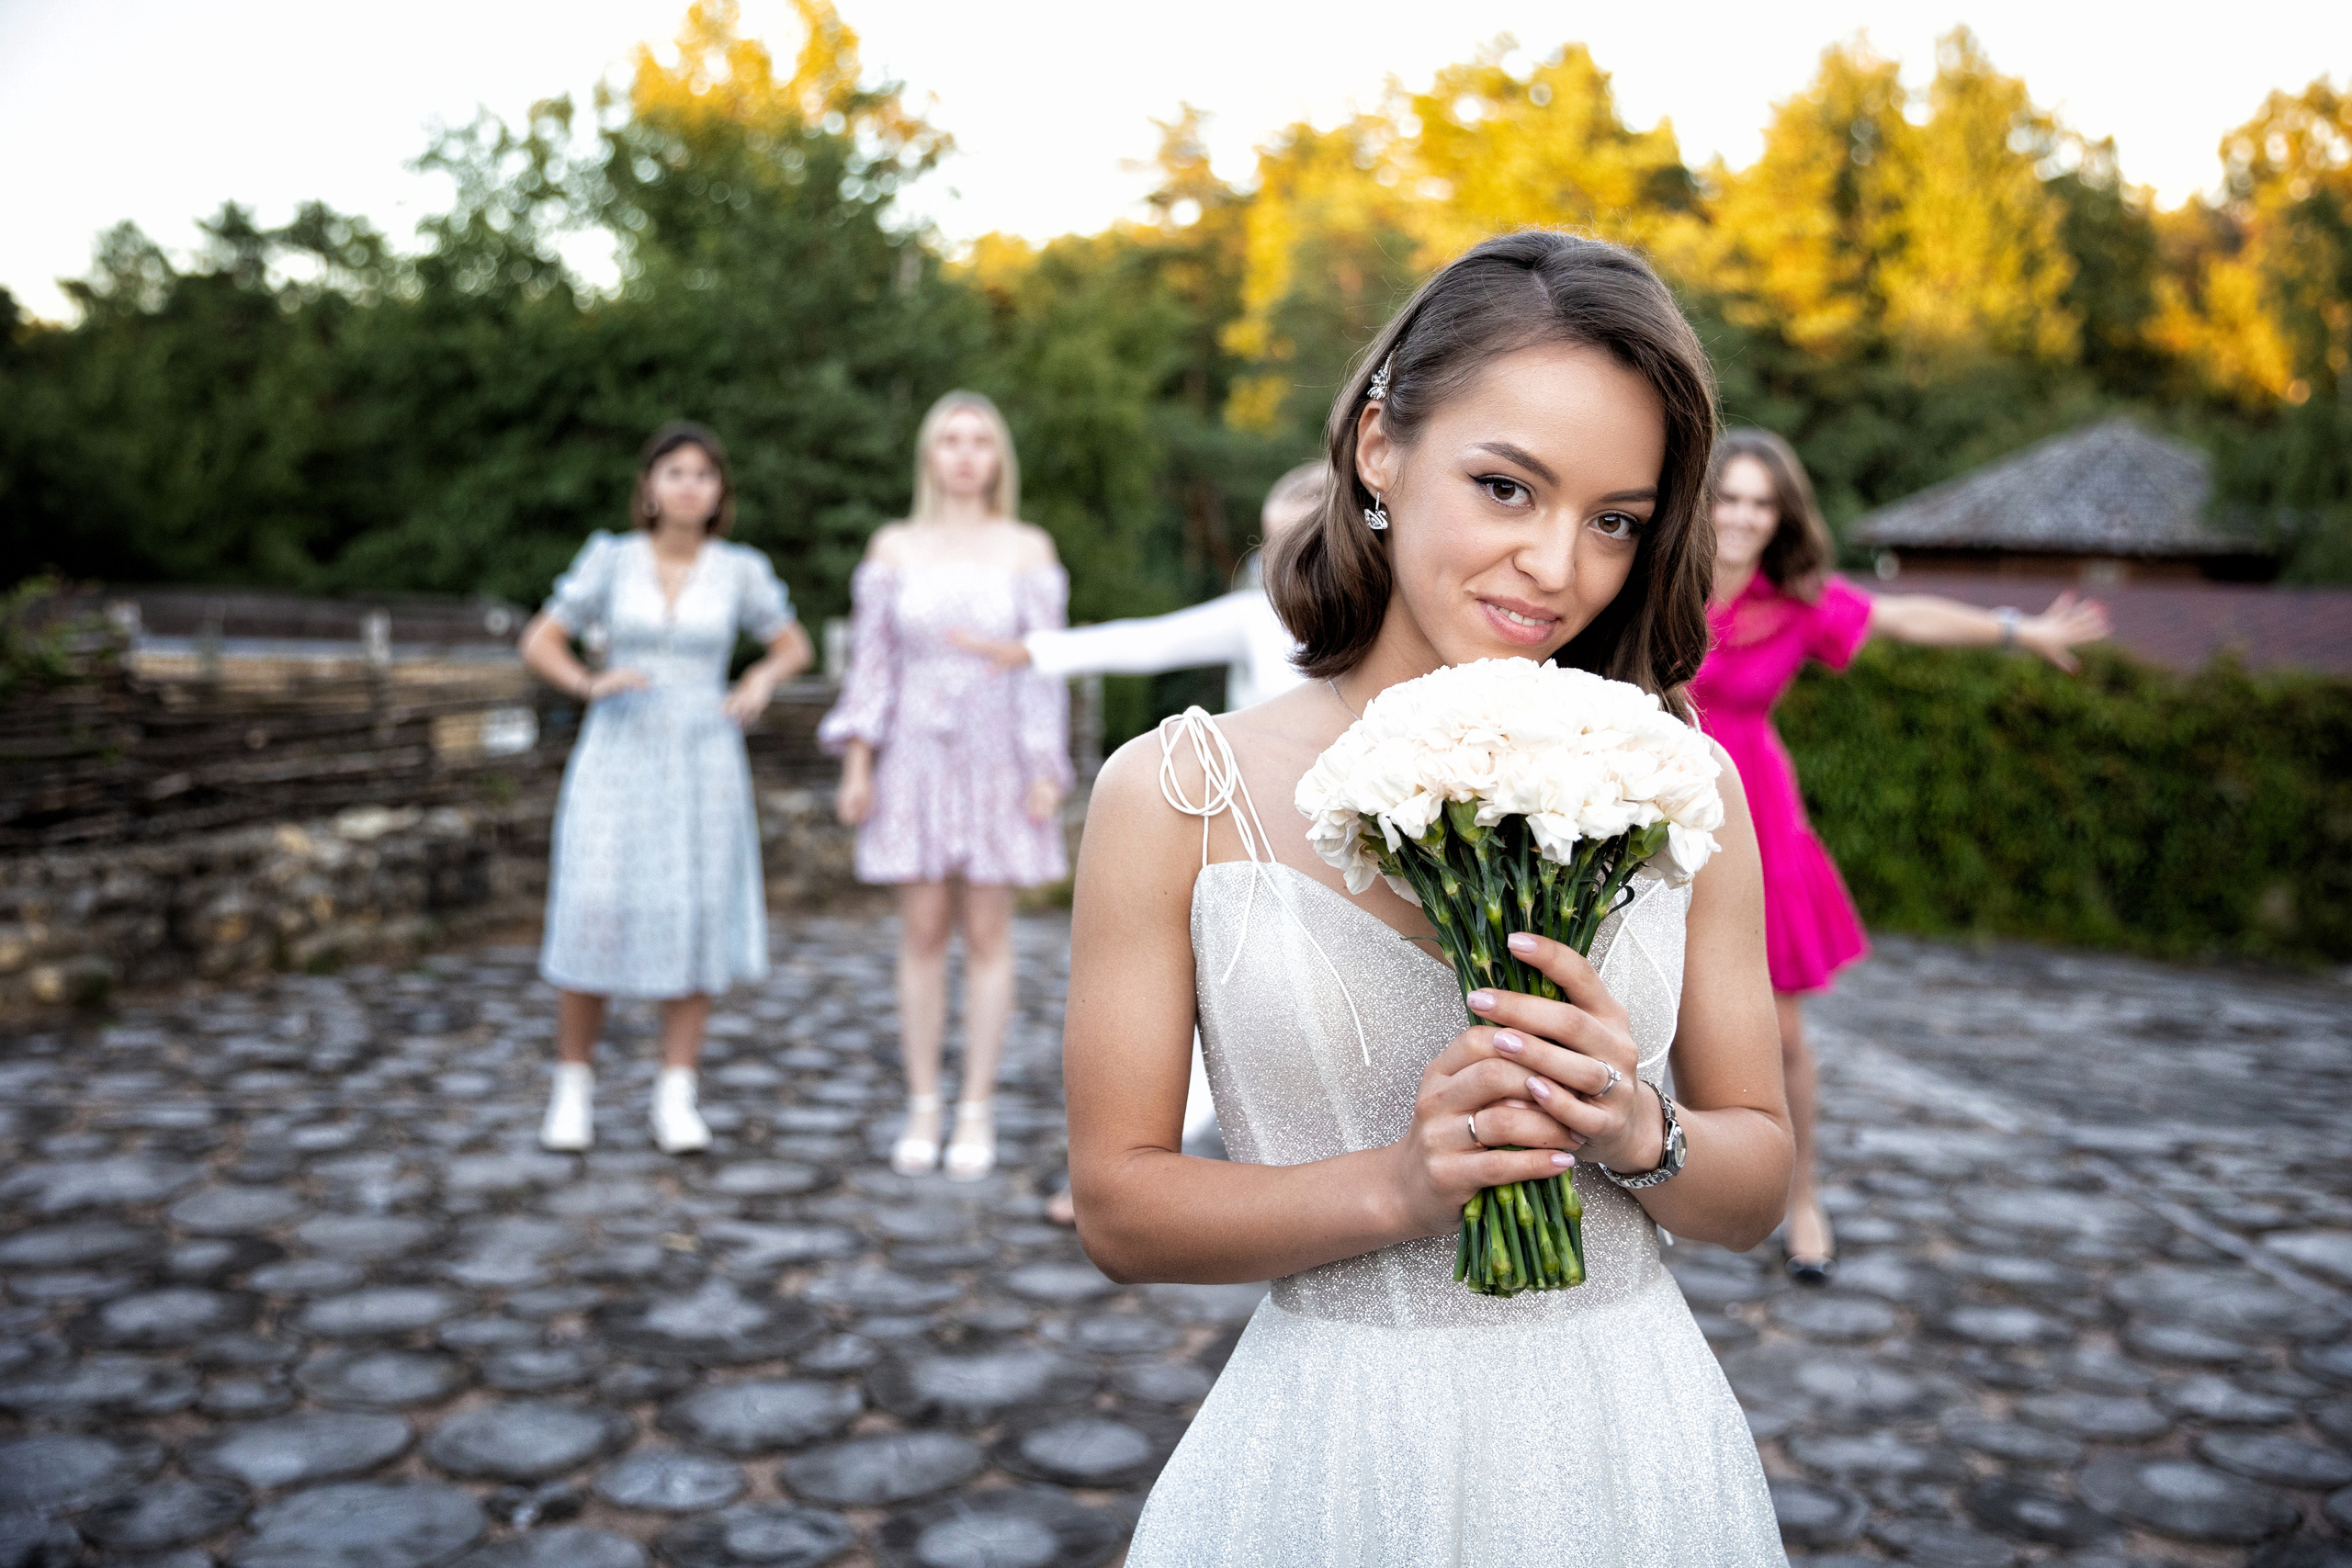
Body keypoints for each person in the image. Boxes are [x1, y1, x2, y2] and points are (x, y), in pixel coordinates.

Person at [1068, 231, 1791, 1563]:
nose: (1558, 565)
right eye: (1507, 487)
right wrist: (1398, 1188)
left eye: (1615, 519)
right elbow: (1118, 1206)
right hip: (1331, 1450)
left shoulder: (1683, 784)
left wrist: (1635, 1126)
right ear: (1378, 447)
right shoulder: (1174, 791)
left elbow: (1757, 1186)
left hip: (1625, 1443)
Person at [1690, 427, 2109, 1283]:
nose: (1741, 517)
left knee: (1784, 1035)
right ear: (1703, 503)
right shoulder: (1660, 581)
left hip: (1755, 815)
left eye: (1761, 503)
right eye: (1728, 497)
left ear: (1782, 518)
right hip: (1653, 800)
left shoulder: (1798, 604)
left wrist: (2018, 631)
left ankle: (1803, 1196)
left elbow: (1906, 615)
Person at [954, 460, 1326, 1184]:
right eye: (1270, 546)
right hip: (1250, 836)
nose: (1278, 564)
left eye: (1299, 542)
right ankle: (1139, 1159)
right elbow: (1149, 640)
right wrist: (1037, 651)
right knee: (1222, 983)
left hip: (1331, 836)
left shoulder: (1382, 621)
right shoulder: (1256, 614)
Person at [521, 422, 813, 1155]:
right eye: (675, 471)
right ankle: (573, 1086)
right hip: (618, 751)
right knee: (593, 907)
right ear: (649, 485)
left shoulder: (739, 569)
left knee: (694, 910)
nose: (689, 485)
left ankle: (676, 1092)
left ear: (719, 492)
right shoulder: (611, 559)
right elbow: (540, 638)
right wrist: (587, 681)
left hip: (703, 759)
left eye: (703, 474)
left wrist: (758, 678)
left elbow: (793, 644)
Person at [820, 390, 1071, 1181]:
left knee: (989, 934)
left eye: (980, 441)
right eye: (951, 440)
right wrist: (858, 762)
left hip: (999, 754)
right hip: (915, 756)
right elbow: (872, 664)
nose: (965, 454)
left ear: (998, 458)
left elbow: (1043, 664)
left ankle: (976, 1106)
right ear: (930, 454)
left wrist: (1045, 765)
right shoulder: (893, 546)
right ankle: (923, 1102)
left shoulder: (1027, 547)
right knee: (923, 932)